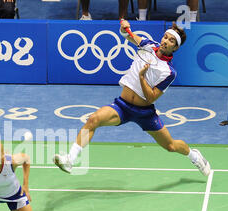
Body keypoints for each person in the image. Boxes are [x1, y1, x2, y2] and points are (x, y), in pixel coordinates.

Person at [53, 19, 211, 177]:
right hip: (122, 106)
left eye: (171, 41)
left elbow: (151, 98)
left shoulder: (169, 72)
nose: (165, 41)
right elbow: (128, 35)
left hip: (145, 113)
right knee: (93, 119)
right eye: (165, 37)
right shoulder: (147, 45)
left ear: (175, 47)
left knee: (170, 146)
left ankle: (193, 155)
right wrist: (123, 29)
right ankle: (70, 159)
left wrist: (142, 77)